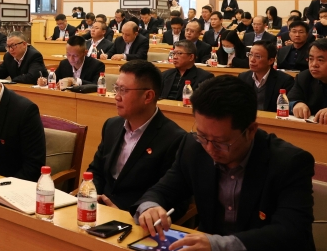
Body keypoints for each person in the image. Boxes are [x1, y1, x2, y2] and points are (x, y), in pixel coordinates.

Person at [135, 75, 315, 251]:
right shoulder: (193, 147)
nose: (209, 148)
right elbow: (163, 190)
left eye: (221, 142)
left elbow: (292, 232)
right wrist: (150, 207)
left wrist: (219, 245)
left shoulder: (289, 162)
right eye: (202, 136)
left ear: (251, 130)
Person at [87, 60, 187, 212]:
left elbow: (170, 196)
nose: (116, 97)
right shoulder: (112, 125)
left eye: (123, 90)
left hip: (135, 217)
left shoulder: (174, 138)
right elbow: (96, 170)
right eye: (116, 88)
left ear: (148, 96)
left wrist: (128, 214)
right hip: (99, 210)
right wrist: (91, 196)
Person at [238, 41, 295, 112]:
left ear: (270, 60)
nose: (252, 60)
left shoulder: (285, 81)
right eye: (250, 55)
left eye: (258, 56)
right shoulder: (243, 77)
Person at [39, 36, 104, 86]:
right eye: (68, 54)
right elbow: (54, 80)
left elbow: (96, 86)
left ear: (85, 53)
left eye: (75, 55)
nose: (71, 58)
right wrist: (45, 81)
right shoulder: (64, 63)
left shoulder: (97, 65)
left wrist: (74, 80)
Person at [291, 38, 327, 123]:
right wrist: (296, 104)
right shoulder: (304, 77)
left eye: (320, 60)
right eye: (311, 59)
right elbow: (288, 101)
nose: (314, 64)